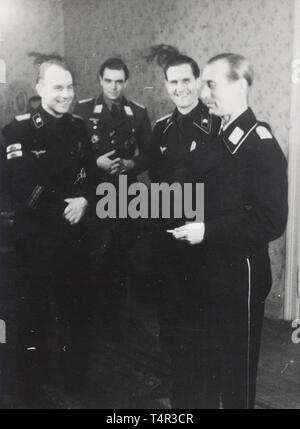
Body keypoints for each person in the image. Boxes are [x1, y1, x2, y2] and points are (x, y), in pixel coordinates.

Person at [169, 53, 288, 408]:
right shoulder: (219, 136)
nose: (203, 93)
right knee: (207, 365)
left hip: (240, 274)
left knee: (236, 374)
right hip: (206, 270)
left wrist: (208, 231)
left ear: (240, 85)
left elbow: (271, 221)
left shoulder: (261, 144)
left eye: (211, 84)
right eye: (202, 83)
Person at [1, 56, 96, 407]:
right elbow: (24, 186)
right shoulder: (19, 130)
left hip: (75, 237)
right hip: (38, 242)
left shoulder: (79, 129)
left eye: (70, 87)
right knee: (33, 318)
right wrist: (67, 206)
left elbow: (92, 175)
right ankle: (31, 387)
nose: (66, 94)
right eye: (57, 87)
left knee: (78, 311)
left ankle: (73, 378)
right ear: (40, 89)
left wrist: (85, 201)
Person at [146, 45, 221, 406]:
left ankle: (201, 388)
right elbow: (155, 181)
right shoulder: (161, 128)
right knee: (171, 315)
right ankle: (176, 379)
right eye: (172, 82)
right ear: (165, 86)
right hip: (168, 238)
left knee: (202, 316)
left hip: (205, 238)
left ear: (198, 82)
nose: (180, 89)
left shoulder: (217, 124)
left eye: (186, 81)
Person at [74, 57, 152, 342]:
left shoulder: (138, 114)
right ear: (100, 79)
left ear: (126, 82)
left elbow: (148, 154)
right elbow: (73, 154)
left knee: (120, 260)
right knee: (92, 257)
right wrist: (96, 163)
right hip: (93, 194)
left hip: (125, 195)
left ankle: (115, 324)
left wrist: (131, 166)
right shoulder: (82, 110)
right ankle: (88, 324)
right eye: (108, 80)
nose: (114, 87)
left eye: (119, 81)